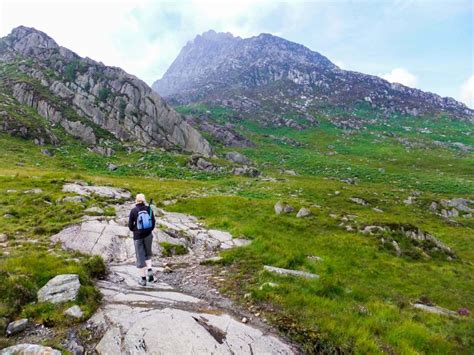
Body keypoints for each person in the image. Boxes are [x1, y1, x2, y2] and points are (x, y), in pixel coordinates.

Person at [128, 193, 156, 286]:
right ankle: (150, 269)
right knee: (148, 254)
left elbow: (130, 226)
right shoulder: (149, 209)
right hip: (148, 235)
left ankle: (143, 280)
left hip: (138, 236)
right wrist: (149, 230)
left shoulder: (133, 210)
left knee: (140, 257)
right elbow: (153, 222)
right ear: (144, 200)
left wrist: (136, 230)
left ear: (136, 200)